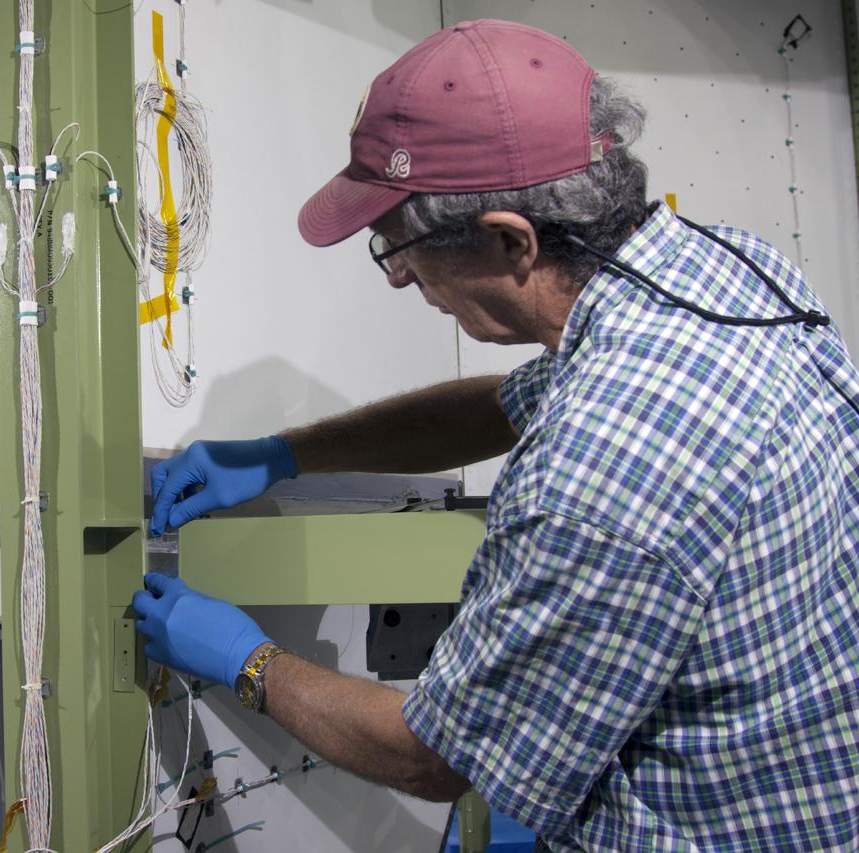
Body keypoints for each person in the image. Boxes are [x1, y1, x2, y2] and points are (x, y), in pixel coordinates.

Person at [132, 18, 859, 851]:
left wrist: (246, 658)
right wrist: (284, 454)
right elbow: (502, 406)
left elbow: (431, 754)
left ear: (513, 240)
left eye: (400, 246)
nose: (399, 276)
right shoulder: (724, 271)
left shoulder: (599, 470)